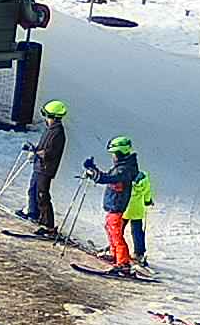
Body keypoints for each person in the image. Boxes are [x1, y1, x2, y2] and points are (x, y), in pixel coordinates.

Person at [83, 136, 153, 277]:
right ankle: (115, 254)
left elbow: (108, 178)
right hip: (114, 205)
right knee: (110, 229)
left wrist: (94, 174)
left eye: (114, 154)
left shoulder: (124, 169)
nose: (113, 157)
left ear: (120, 153)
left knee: (116, 234)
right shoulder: (122, 167)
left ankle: (123, 263)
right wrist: (93, 169)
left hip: (117, 206)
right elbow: (107, 176)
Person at [24, 99, 70, 236]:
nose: (45, 118)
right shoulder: (49, 129)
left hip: (46, 169)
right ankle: (33, 213)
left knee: (42, 195)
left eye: (47, 115)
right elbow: (42, 146)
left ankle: (48, 225)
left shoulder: (58, 133)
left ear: (53, 117)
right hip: (39, 166)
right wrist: (34, 149)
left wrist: (36, 152)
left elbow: (50, 153)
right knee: (33, 190)